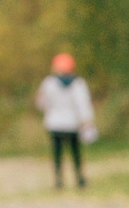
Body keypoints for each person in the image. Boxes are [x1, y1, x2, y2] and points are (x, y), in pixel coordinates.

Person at [35, 53, 95, 188]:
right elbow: (83, 104)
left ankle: (58, 180)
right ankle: (80, 179)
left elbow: (41, 103)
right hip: (72, 124)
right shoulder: (78, 83)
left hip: (54, 123)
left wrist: (47, 111)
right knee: (76, 153)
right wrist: (87, 121)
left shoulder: (49, 83)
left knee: (57, 153)